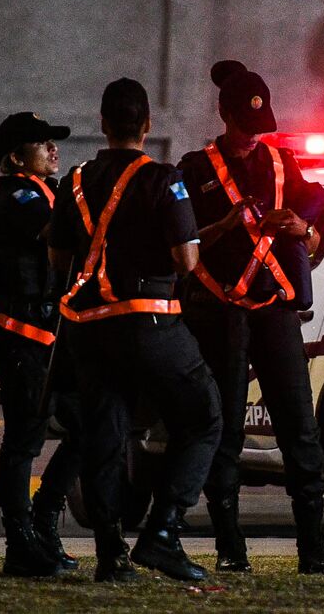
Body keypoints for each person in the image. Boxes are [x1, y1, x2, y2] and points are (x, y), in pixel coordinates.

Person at [47, 78, 223, 583]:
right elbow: (187, 261)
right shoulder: (164, 181)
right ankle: (162, 533)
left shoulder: (75, 180)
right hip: (150, 322)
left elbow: (59, 259)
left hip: (89, 329)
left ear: (103, 124)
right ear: (148, 125)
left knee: (106, 433)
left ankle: (110, 555)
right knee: (204, 416)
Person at [176, 60, 324, 575]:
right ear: (224, 115)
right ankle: (230, 548)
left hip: (274, 313)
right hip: (219, 313)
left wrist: (302, 231)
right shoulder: (194, 168)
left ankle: (313, 550)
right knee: (223, 428)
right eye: (245, 128)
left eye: (259, 127)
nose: (253, 138)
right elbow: (182, 244)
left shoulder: (282, 163)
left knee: (300, 426)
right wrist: (224, 224)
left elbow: (315, 230)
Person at [0, 112, 82, 577]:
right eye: (43, 145)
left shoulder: (49, 192)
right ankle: (19, 541)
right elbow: (55, 231)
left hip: (50, 336)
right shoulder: (13, 194)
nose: (53, 150)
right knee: (23, 439)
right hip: (20, 337)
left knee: (88, 426)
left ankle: (44, 518)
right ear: (18, 158)